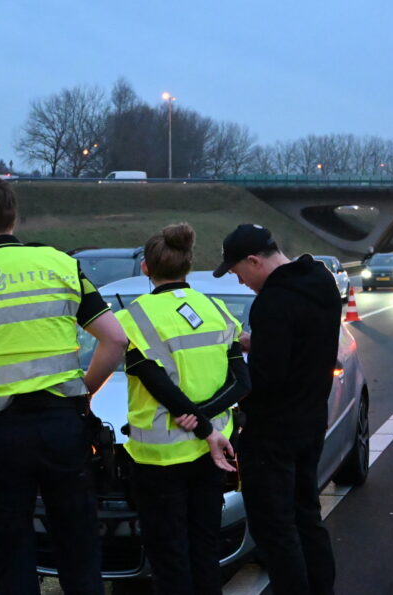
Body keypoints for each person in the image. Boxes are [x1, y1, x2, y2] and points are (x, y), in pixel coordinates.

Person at [0, 174, 127, 595]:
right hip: (63, 431)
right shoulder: (63, 266)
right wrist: (83, 393)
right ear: (13, 218)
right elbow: (115, 339)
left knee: (13, 558)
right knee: (78, 552)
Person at [115, 223, 251, 595]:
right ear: (188, 265)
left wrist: (197, 420)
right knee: (204, 550)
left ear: (146, 268)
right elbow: (243, 382)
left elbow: (156, 383)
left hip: (157, 460)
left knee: (168, 557)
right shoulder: (217, 309)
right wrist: (207, 420)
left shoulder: (134, 317)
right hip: (213, 453)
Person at [214, 223, 341, 595]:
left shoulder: (273, 302)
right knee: (306, 517)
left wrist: (231, 400)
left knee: (275, 528)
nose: (241, 283)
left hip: (272, 435)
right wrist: (254, 342)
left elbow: (265, 380)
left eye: (238, 273)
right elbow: (297, 347)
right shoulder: (320, 282)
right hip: (311, 420)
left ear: (253, 261)